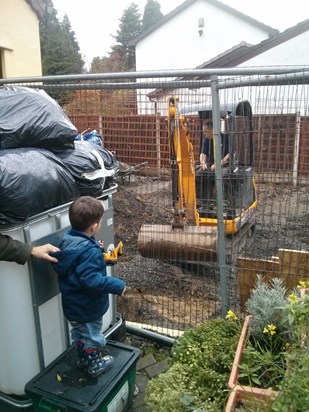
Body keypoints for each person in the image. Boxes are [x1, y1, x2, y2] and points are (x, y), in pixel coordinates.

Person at [51, 196, 126, 378]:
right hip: (87, 307)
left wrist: (100, 257)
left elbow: (80, 268)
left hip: (73, 306)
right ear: (94, 227)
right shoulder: (89, 251)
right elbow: (92, 281)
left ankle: (83, 359)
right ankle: (95, 365)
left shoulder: (69, 240)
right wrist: (118, 285)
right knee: (92, 337)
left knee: (80, 334)